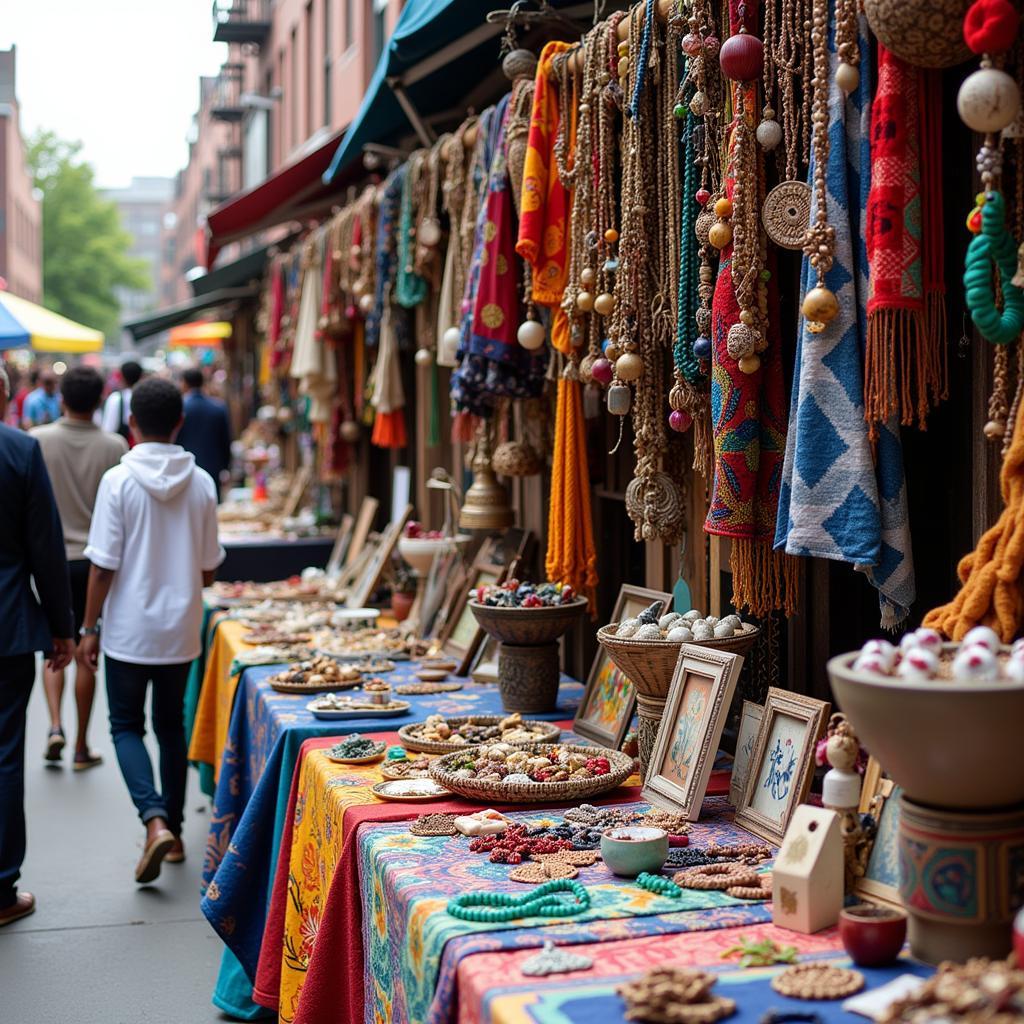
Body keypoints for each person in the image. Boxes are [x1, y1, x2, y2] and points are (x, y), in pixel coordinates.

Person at [78, 377, 224, 883]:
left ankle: (153, 819)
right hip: (180, 627)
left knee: (124, 726)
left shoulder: (119, 481)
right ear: (179, 422)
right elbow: (208, 570)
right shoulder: (202, 482)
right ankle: (177, 833)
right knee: (171, 728)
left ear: (131, 423)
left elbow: (101, 567)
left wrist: (88, 626)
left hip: (128, 628)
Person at [0, 364, 75, 926]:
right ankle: (1, 888)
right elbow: (46, 547)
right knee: (4, 754)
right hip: (6, 626)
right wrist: (62, 627)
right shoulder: (20, 451)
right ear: (5, 397)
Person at [32, 365, 128, 770]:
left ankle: (55, 726)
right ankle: (81, 747)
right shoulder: (115, 446)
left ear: (62, 398)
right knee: (89, 649)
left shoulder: (36, 441)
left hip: (48, 562)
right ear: (98, 400)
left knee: (55, 648)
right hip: (96, 566)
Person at [175, 367, 232, 499]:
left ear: (184, 383)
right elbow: (225, 441)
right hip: (212, 466)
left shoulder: (180, 408)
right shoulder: (218, 407)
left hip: (185, 468)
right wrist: (225, 467)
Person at [100, 359, 143, 443]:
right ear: (141, 376)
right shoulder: (146, 397)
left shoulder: (116, 398)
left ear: (122, 377)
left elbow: (108, 430)